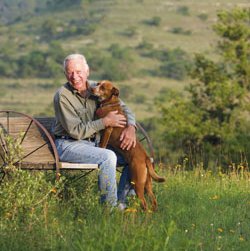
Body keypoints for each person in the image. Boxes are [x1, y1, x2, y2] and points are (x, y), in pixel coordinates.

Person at [52, 53, 136, 209]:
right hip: (68, 144)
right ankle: (108, 210)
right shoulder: (62, 96)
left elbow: (124, 108)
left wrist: (131, 126)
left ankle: (122, 204)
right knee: (108, 156)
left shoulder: (98, 88)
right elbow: (75, 132)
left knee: (135, 158)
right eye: (70, 72)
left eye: (78, 72)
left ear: (87, 71)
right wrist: (105, 122)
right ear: (65, 74)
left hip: (94, 144)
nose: (74, 77)